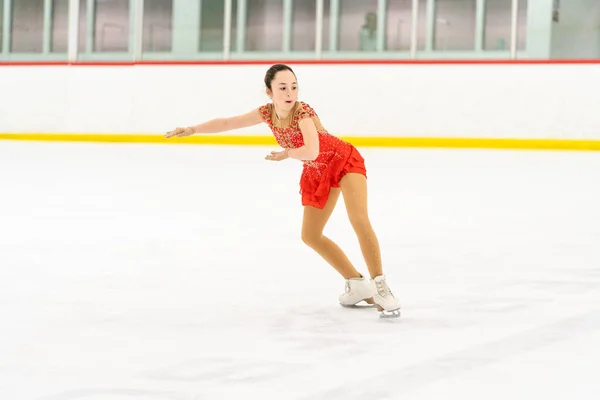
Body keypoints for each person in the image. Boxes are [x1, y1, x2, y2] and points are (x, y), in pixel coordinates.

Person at [165, 64, 401, 318]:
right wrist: (193, 129)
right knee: (310, 235)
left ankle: (380, 286)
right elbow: (228, 122)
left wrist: (286, 154)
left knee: (358, 219)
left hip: (343, 161)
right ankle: (356, 283)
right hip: (317, 171)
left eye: (294, 86)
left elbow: (311, 150)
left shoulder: (303, 112)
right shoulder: (267, 113)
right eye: (282, 87)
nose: (290, 92)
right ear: (269, 92)